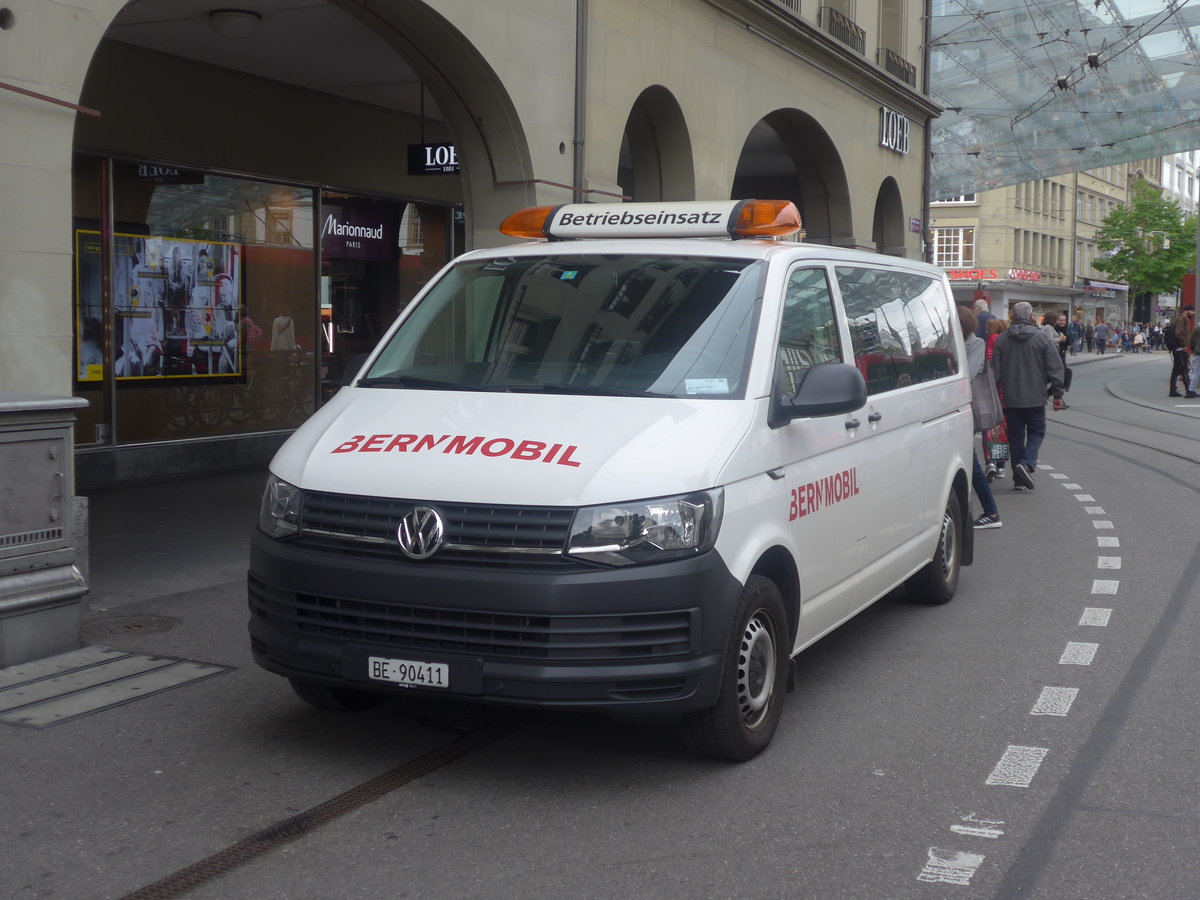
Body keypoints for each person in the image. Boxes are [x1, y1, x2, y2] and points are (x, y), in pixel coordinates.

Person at [991, 301, 1066, 491]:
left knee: (1016, 437)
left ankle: (1019, 479)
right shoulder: (1042, 339)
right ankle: (1026, 464)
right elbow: (1055, 367)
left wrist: (994, 394)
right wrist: (1057, 394)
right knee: (1036, 432)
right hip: (1035, 396)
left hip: (1010, 398)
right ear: (1032, 316)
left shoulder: (1002, 340)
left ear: (1013, 317)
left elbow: (995, 373)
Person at [957, 306, 1002, 528]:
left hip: (966, 409)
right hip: (953, 410)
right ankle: (989, 512)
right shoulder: (951, 343)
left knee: (971, 463)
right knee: (967, 462)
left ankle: (992, 513)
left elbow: (968, 373)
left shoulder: (976, 343)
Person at [1168, 305, 1194, 397]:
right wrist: (1184, 345)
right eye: (1192, 312)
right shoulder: (1183, 319)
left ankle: (1172, 390)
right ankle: (1189, 390)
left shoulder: (1182, 319)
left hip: (1178, 348)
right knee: (1184, 370)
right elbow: (1178, 333)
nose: (1193, 314)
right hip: (1180, 348)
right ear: (1187, 311)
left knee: (1176, 370)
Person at [1187, 314, 1200, 399]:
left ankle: (1191, 390)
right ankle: (1191, 390)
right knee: (1196, 372)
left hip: (1197, 351)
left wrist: (1192, 348)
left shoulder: (1197, 327)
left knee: (1196, 371)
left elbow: (1191, 340)